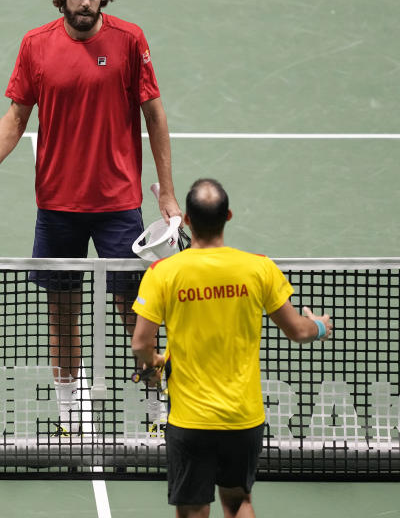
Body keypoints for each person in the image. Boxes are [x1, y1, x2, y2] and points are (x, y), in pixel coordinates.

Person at [0, 0, 180, 434]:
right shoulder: (36, 45)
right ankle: (70, 409)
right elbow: (17, 114)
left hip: (118, 204)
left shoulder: (130, 41)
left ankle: (156, 404)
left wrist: (166, 195)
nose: (85, 4)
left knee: (137, 315)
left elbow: (155, 117)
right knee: (63, 313)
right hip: (58, 205)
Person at [131, 178, 332, 518]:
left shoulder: (163, 273)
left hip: (190, 420)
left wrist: (151, 365)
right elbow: (298, 331)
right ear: (229, 216)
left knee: (193, 508)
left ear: (188, 221)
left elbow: (140, 342)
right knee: (239, 501)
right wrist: (321, 326)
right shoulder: (259, 268)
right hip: (243, 418)